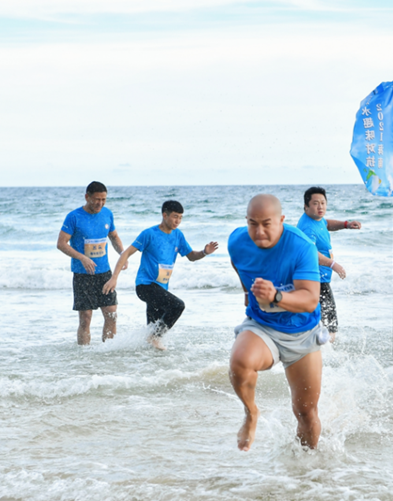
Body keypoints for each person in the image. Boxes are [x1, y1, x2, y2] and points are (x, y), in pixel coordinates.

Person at [228, 193, 326, 451]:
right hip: (262, 326)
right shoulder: (237, 241)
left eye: (266, 223)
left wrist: (276, 296)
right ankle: (251, 414)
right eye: (252, 223)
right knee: (240, 363)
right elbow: (237, 263)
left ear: (281, 220)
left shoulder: (301, 246)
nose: (258, 231)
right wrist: (248, 293)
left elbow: (310, 299)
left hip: (302, 333)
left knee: (306, 412)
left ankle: (308, 470)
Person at [103, 200, 218, 350]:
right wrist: (114, 278)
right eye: (175, 217)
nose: (178, 221)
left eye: (181, 218)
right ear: (165, 215)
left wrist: (204, 252)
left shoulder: (178, 236)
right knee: (177, 306)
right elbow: (126, 253)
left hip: (160, 288)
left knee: (152, 332)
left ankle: (149, 361)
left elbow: (191, 256)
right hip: (145, 285)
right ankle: (155, 338)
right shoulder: (149, 234)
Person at [56, 181, 126, 345]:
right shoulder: (74, 217)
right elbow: (61, 244)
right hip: (83, 274)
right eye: (96, 199)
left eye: (103, 199)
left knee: (111, 314)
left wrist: (123, 255)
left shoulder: (107, 213)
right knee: (85, 319)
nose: (100, 203)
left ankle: (108, 351)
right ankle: (84, 355)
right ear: (87, 197)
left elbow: (114, 236)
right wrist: (82, 257)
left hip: (104, 273)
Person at [295, 186, 362, 342]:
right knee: (330, 322)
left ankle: (318, 350)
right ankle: (324, 354)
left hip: (319, 278)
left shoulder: (316, 220)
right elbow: (310, 253)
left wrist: (346, 224)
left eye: (323, 203)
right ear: (306, 206)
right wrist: (333, 265)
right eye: (315, 203)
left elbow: (326, 224)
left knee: (323, 319)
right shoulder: (307, 227)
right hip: (314, 279)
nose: (320, 207)